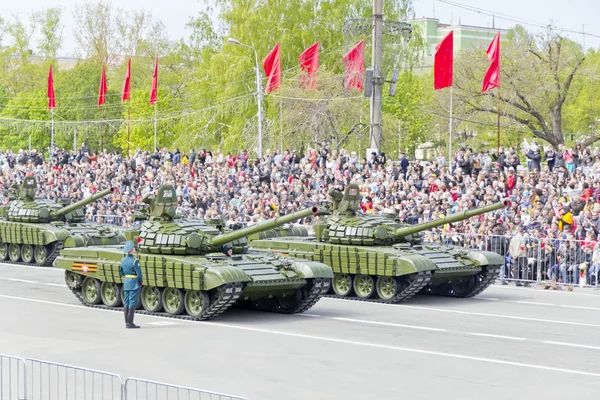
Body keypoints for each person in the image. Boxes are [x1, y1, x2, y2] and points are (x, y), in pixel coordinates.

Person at [119, 240, 143, 329]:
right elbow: (139, 274)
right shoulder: (135, 261)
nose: (134, 249)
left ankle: (126, 322)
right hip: (134, 283)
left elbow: (121, 272)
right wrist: (140, 282)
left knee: (126, 302)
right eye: (133, 248)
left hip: (127, 282)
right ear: (130, 250)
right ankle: (130, 323)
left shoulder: (123, 260)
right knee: (132, 302)